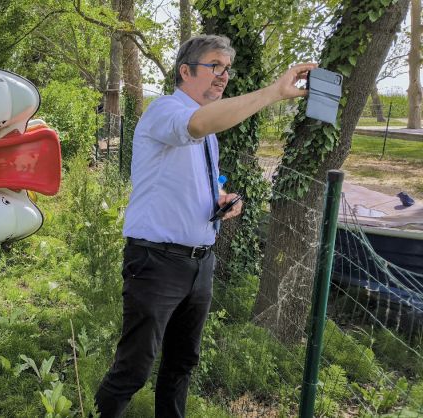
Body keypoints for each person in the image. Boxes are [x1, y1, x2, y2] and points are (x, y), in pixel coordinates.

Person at [93, 34, 316, 417]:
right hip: (156, 263)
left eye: (227, 69)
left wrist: (222, 199)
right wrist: (275, 92)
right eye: (215, 66)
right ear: (185, 70)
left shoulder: (206, 130)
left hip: (199, 263)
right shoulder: (166, 110)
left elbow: (199, 179)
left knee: (181, 365)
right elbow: (194, 126)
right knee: (134, 369)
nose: (223, 76)